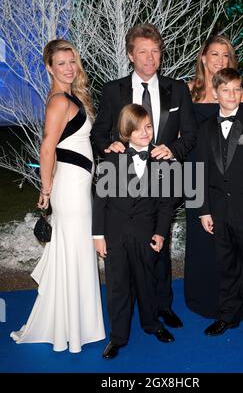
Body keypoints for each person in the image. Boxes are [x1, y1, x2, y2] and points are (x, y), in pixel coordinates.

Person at [91, 23, 197, 329]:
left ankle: (162, 306)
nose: (150, 58)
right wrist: (108, 146)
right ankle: (125, 318)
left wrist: (172, 149)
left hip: (163, 177)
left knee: (158, 245)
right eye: (142, 52)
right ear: (130, 55)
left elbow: (190, 135)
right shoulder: (113, 90)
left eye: (155, 51)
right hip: (124, 179)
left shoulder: (177, 89)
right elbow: (100, 132)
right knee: (126, 249)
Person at [10, 39, 105, 353]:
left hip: (77, 186)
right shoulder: (58, 101)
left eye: (71, 61)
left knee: (76, 252)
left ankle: (74, 326)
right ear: (49, 67)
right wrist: (46, 188)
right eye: (61, 63)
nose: (68, 68)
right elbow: (47, 148)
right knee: (75, 252)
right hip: (69, 191)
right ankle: (72, 331)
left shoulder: (69, 96)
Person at [184, 35, 243, 318]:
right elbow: (180, 136)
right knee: (202, 240)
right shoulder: (188, 91)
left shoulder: (239, 93)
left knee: (240, 244)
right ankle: (205, 299)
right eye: (214, 55)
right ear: (203, 58)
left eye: (226, 56)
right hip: (199, 176)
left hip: (235, 186)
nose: (220, 61)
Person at [93, 104, 178, 359]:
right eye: (138, 128)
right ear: (126, 132)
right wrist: (98, 236)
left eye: (149, 127)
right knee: (118, 288)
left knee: (147, 284)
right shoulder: (112, 157)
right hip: (115, 236)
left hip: (146, 235)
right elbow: (100, 200)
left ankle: (152, 324)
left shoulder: (162, 160)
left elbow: (166, 205)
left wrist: (161, 233)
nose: (145, 132)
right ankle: (118, 337)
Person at [197, 68, 243, 340]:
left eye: (237, 89)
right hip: (217, 210)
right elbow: (200, 171)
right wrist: (203, 210)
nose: (232, 95)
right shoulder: (205, 128)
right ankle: (227, 315)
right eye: (226, 90)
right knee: (225, 264)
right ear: (215, 93)